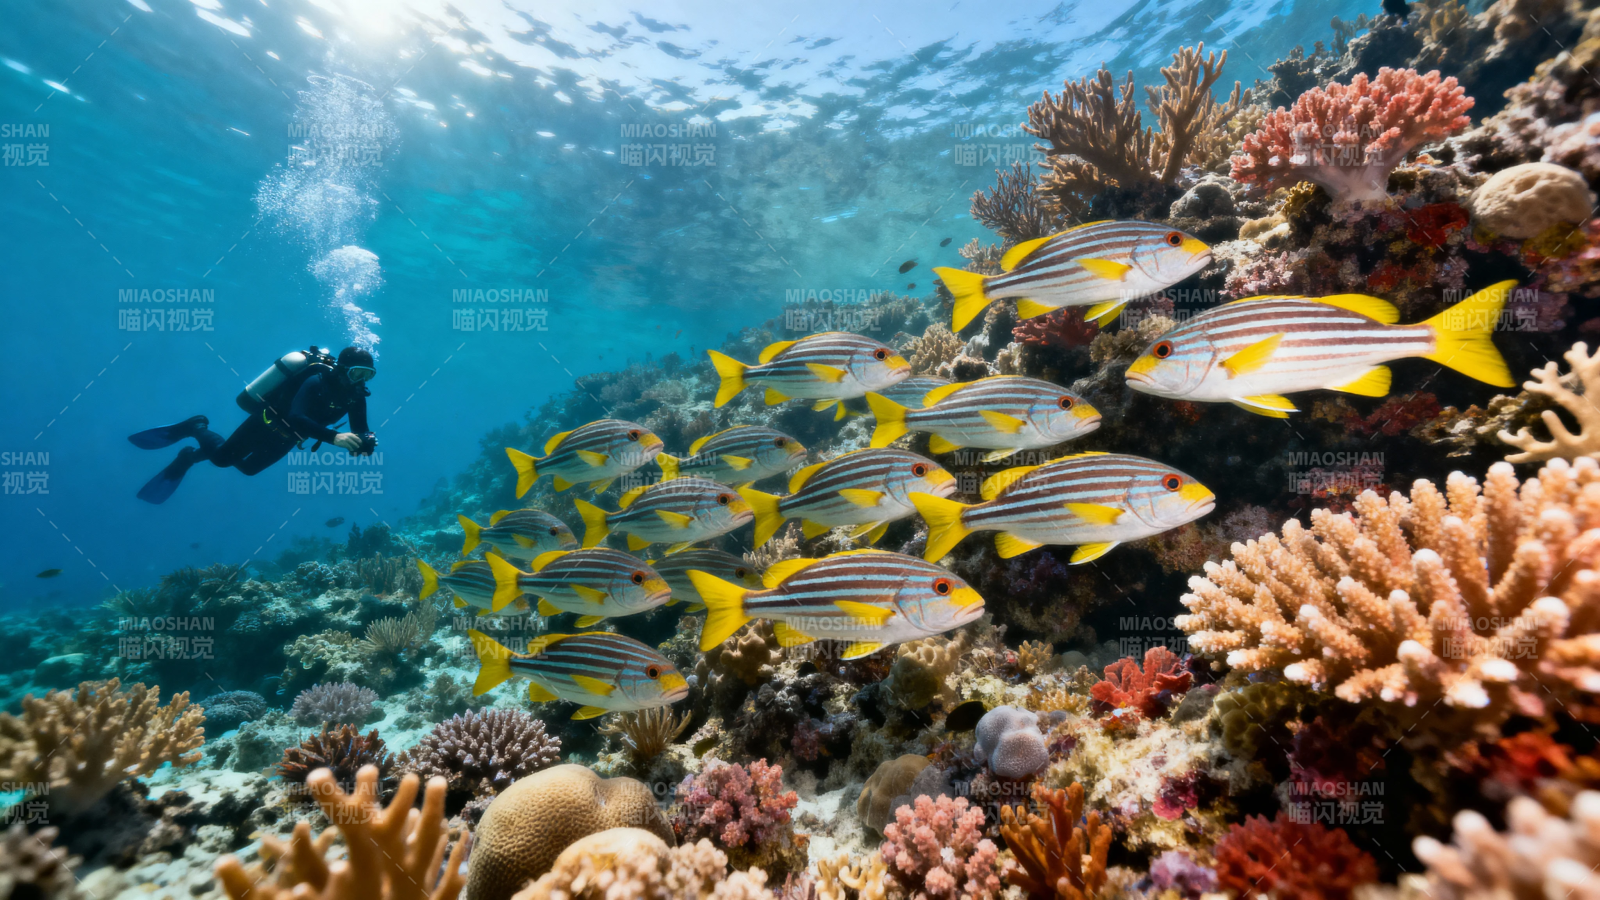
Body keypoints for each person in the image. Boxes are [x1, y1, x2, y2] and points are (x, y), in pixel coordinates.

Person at [130, 346, 377, 504]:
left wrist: (365, 443)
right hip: (265, 423)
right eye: (358, 373)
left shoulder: (356, 396)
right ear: (343, 369)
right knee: (222, 460)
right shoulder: (316, 381)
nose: (362, 380)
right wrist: (334, 437)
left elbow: (361, 428)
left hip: (290, 438)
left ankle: (190, 456)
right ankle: (196, 427)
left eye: (368, 375)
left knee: (248, 469)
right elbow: (296, 416)